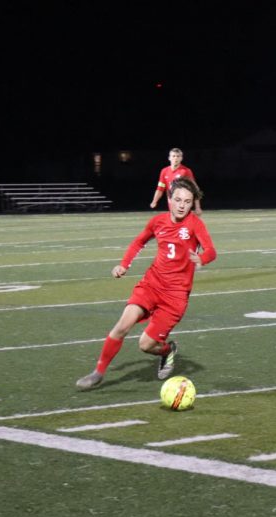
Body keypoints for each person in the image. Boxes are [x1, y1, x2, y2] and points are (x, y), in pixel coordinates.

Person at [77, 177, 216, 390]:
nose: (182, 205)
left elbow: (211, 251)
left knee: (145, 345)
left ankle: (167, 350)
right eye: (177, 199)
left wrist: (202, 258)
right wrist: (124, 265)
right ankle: (98, 373)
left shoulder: (195, 224)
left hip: (176, 296)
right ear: (169, 199)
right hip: (151, 284)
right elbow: (139, 241)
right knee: (122, 326)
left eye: (187, 202)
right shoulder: (157, 221)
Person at [149, 147, 202, 215]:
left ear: (181, 158)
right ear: (169, 158)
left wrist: (198, 207)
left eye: (178, 156)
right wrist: (154, 201)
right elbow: (160, 189)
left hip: (183, 205)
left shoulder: (186, 171)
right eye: (173, 156)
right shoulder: (164, 171)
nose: (175, 158)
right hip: (171, 205)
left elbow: (195, 189)